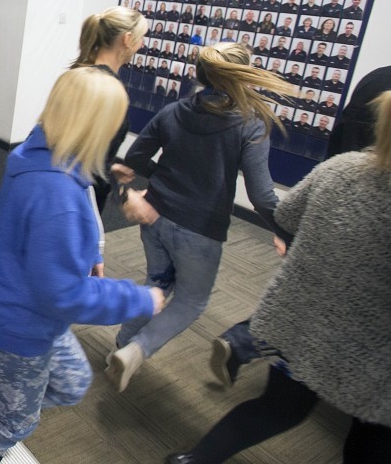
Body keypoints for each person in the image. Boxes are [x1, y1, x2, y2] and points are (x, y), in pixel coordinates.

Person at [0, 67, 164, 464]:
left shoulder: (44, 152)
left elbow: (62, 228)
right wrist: (140, 299)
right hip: (18, 322)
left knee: (72, 382)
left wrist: (90, 255)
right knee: (13, 425)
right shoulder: (56, 193)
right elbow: (66, 295)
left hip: (21, 305)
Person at [166, 91, 391, 464]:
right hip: (371, 358)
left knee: (276, 409)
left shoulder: (340, 168)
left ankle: (194, 460)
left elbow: (286, 217)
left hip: (302, 327)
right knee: (372, 444)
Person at [104, 43, 294, 393]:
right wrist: (288, 232)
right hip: (200, 232)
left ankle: (120, 345)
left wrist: (165, 177)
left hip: (155, 216)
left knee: (156, 285)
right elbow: (261, 195)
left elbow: (134, 159)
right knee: (191, 300)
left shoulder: (174, 111)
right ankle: (135, 351)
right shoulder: (250, 124)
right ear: (243, 77)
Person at [70, 7, 149, 212]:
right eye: (141, 38)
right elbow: (88, 169)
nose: (142, 44)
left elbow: (77, 146)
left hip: (66, 188)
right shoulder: (106, 89)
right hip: (77, 198)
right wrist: (125, 197)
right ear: (127, 39)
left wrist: (109, 167)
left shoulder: (80, 73)